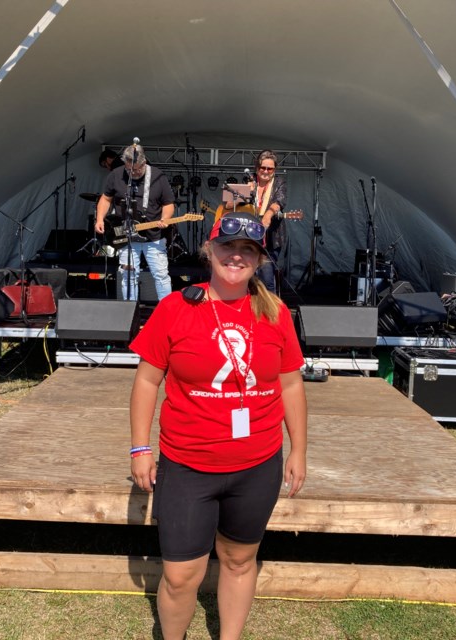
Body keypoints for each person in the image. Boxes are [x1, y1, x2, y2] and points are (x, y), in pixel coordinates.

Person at [128, 211, 308, 640]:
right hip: (188, 465)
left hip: (256, 465)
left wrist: (298, 449)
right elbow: (147, 380)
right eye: (228, 247)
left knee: (240, 561)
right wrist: (140, 447)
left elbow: (291, 386)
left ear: (259, 260)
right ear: (209, 251)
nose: (236, 256)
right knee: (180, 575)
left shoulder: (275, 313)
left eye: (248, 250)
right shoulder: (175, 308)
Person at [95, 143, 175, 301]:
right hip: (126, 235)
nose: (134, 173)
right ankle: (130, 312)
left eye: (137, 169)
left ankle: (167, 312)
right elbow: (105, 198)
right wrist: (99, 219)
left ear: (144, 163)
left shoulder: (158, 176)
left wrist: (165, 219)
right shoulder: (116, 175)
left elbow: (169, 203)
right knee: (128, 275)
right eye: (129, 169)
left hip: (154, 236)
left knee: (160, 275)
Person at [218, 149, 287, 293]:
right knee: (247, 275)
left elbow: (279, 202)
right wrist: (246, 191)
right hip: (249, 234)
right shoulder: (249, 182)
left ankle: (269, 312)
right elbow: (227, 204)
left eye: (270, 168)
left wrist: (268, 214)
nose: (266, 171)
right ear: (257, 168)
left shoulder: (279, 182)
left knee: (266, 277)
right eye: (263, 167)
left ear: (274, 170)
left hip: (271, 236)